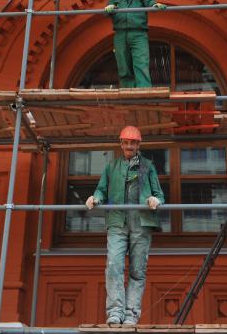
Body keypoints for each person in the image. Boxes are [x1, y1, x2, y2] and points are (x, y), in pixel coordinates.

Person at [86, 126, 165, 325]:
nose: (130, 146)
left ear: (139, 145)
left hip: (141, 222)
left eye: (133, 142)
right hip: (117, 222)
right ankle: (115, 312)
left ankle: (131, 315)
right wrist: (94, 198)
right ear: (121, 144)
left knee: (138, 270)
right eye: (126, 142)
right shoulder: (110, 167)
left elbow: (160, 194)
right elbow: (101, 190)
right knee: (114, 265)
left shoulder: (148, 166)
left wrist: (155, 200)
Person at [105, 0, 166, 88]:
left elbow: (151, 3)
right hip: (120, 34)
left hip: (138, 34)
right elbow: (107, 11)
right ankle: (128, 89)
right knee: (123, 64)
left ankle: (144, 90)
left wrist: (155, 5)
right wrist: (109, 8)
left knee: (141, 61)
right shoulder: (115, 0)